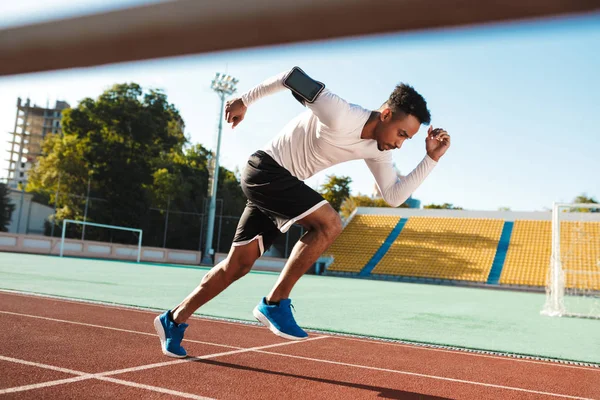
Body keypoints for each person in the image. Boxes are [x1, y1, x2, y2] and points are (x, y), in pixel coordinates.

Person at [154, 67, 451, 358]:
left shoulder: (379, 150)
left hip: (280, 188)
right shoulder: (340, 113)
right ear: (386, 114)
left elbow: (395, 196)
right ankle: (275, 302)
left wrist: (431, 158)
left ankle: (173, 320)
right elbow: (291, 77)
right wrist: (244, 100)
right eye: (401, 133)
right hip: (265, 169)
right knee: (329, 224)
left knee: (238, 265)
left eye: (406, 140)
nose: (399, 144)